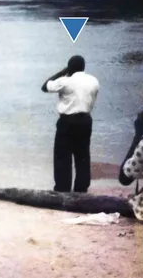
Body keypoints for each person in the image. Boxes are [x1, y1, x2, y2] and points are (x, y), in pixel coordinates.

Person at [41, 55, 100, 193]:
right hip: (86, 120)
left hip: (67, 121)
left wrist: (62, 72)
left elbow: (45, 87)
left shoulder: (65, 81)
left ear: (70, 67)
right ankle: (81, 188)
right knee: (83, 155)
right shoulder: (94, 81)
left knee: (63, 156)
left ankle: (63, 188)